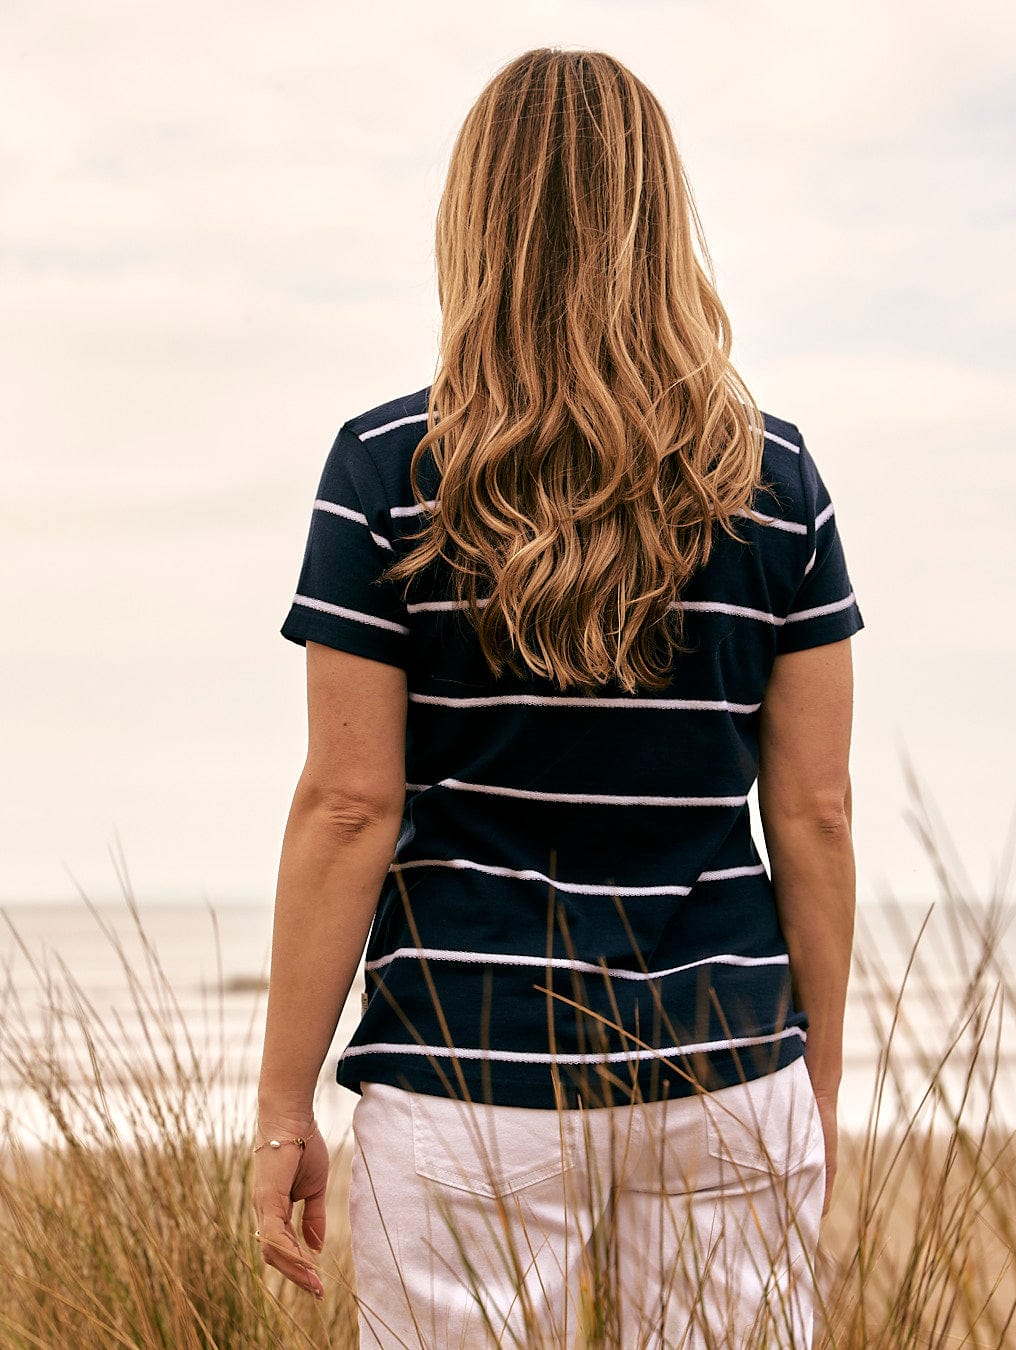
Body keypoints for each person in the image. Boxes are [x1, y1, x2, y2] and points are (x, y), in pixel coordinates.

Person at [252, 46, 863, 1349]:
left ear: (477, 220)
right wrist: (818, 1076)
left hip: (463, 1075)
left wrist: (282, 1103)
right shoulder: (778, 482)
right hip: (722, 1064)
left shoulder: (382, 471)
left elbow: (349, 804)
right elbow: (814, 811)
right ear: (660, 221)